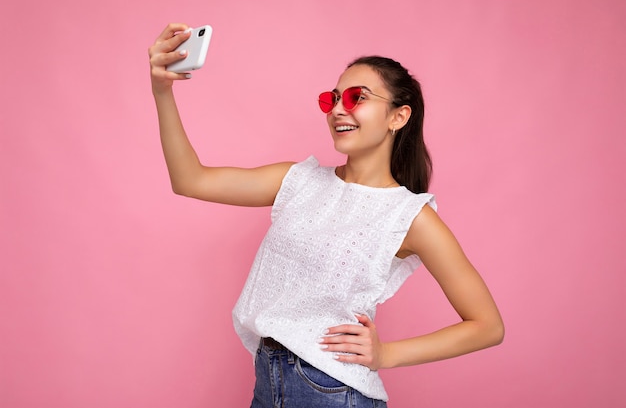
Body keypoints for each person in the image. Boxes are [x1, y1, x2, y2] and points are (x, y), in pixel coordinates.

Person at [148, 23, 504, 408]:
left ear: (398, 117)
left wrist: (387, 355)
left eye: (356, 98)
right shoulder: (298, 180)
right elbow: (190, 180)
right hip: (268, 382)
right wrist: (162, 90)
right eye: (331, 99)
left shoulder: (409, 216)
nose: (338, 109)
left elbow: (487, 326)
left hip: (332, 393)